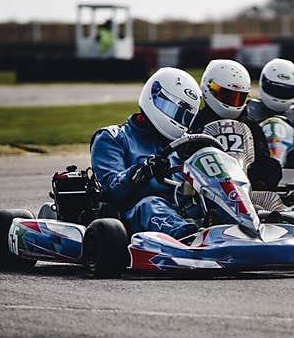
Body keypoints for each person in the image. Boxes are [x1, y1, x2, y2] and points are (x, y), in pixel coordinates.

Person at [90, 67, 205, 239]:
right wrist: (143, 171)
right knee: (151, 205)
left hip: (182, 208)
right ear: (155, 97)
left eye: (184, 117)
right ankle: (189, 239)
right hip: (133, 214)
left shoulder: (186, 143)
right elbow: (112, 189)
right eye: (174, 111)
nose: (179, 121)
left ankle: (244, 230)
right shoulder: (113, 138)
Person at [190, 58, 280, 188]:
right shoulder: (196, 123)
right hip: (203, 190)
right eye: (226, 96)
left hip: (245, 194)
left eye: (238, 98)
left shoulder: (251, 127)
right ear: (209, 87)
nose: (232, 103)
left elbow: (263, 163)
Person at [246, 58, 294, 169]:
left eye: (285, 91)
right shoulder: (248, 109)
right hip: (255, 164)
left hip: (292, 167)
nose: (279, 95)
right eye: (275, 89)